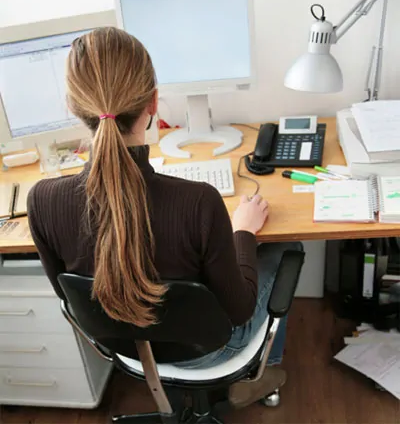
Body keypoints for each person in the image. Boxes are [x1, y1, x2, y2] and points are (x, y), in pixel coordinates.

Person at [27, 27, 302, 407]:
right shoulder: (199, 203)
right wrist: (243, 231)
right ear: (153, 104)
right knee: (285, 247)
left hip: (124, 349)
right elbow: (238, 311)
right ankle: (259, 373)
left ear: (74, 108)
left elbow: (66, 294)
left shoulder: (41, 200)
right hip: (208, 350)